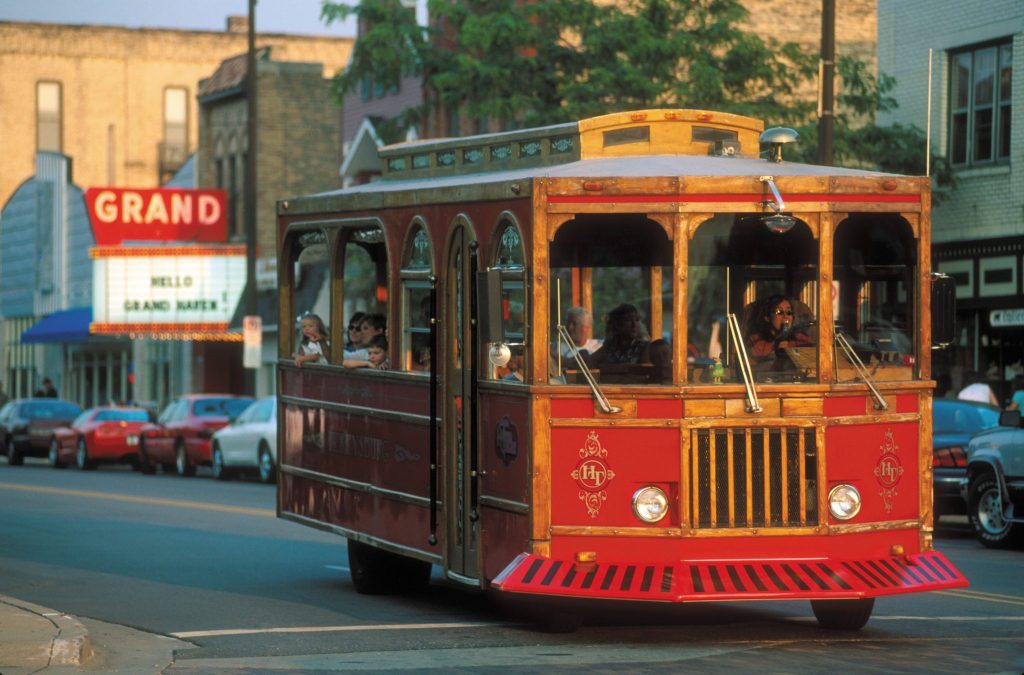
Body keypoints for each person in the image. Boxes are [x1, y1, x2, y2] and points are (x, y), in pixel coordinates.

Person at [746, 295, 814, 365]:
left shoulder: (801, 338)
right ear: (767, 317)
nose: (785, 316)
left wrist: (791, 350)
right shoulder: (755, 340)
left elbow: (813, 357)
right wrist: (775, 348)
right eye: (779, 312)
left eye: (789, 312)